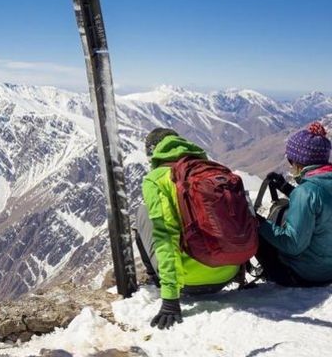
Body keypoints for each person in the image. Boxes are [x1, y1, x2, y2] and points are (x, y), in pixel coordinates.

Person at [136, 128, 240, 330]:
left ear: (152, 152)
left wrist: (170, 300)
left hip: (189, 283)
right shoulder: (217, 170)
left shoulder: (156, 180)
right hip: (228, 273)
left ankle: (153, 277)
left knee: (143, 212)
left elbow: (166, 238)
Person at [256, 122, 332, 287]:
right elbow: (323, 206)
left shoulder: (305, 192)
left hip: (306, 275)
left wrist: (258, 222)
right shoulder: (319, 186)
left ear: (298, 161)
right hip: (328, 269)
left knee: (257, 232)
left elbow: (292, 244)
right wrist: (287, 189)